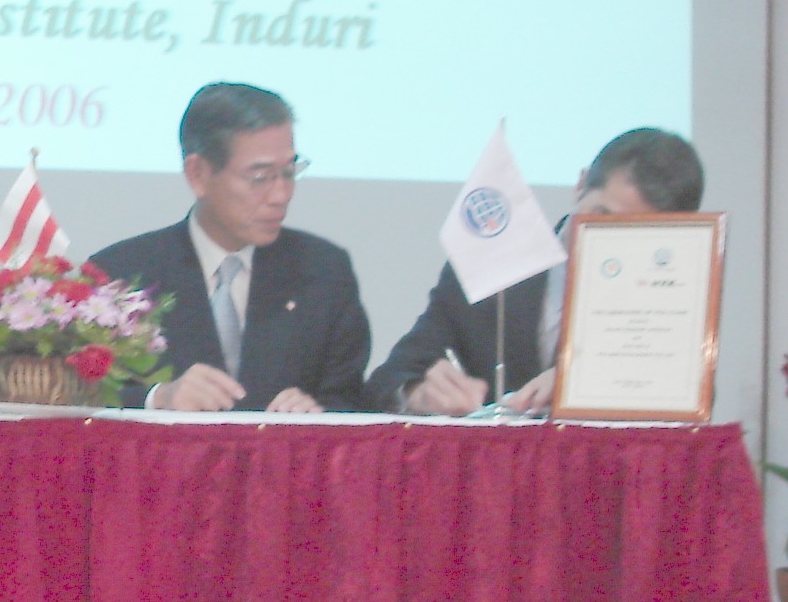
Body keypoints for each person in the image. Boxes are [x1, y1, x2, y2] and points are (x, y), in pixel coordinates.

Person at [366, 127, 705, 416]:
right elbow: (388, 381)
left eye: (636, 233)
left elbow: (694, 395)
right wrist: (418, 395)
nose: (610, 242)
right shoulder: (493, 265)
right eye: (602, 217)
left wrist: (587, 381)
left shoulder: (671, 286)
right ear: (581, 184)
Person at [90, 82, 370, 413]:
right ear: (198, 174)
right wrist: (157, 398)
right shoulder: (121, 274)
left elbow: (352, 398)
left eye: (289, 172)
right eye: (260, 177)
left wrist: (317, 413)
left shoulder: (322, 270)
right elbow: (80, 396)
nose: (281, 195)